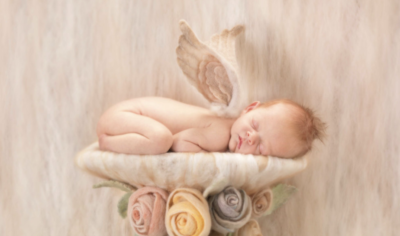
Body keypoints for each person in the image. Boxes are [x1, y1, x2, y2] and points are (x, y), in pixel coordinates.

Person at [96, 97, 326, 158]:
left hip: (128, 118)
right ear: (250, 108)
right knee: (161, 139)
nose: (251, 138)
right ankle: (107, 143)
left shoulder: (225, 128)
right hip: (125, 116)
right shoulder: (218, 135)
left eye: (262, 147)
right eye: (255, 125)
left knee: (160, 137)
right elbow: (179, 142)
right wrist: (206, 156)